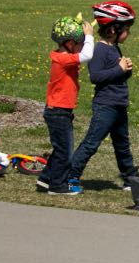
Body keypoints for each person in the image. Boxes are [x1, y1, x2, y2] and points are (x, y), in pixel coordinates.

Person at [66, 1, 138, 190]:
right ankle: (71, 175)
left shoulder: (114, 48)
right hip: (106, 105)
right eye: (126, 29)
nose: (128, 33)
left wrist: (126, 69)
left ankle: (130, 177)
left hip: (119, 105)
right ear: (113, 30)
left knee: (122, 144)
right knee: (92, 142)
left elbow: (116, 74)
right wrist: (119, 69)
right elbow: (96, 77)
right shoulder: (99, 50)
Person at [37, 14, 95, 195]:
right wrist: (90, 35)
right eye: (79, 42)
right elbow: (87, 55)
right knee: (65, 152)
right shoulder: (62, 59)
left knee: (60, 149)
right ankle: (58, 186)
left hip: (61, 111)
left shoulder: (64, 57)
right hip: (58, 112)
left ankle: (46, 179)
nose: (81, 46)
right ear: (70, 43)